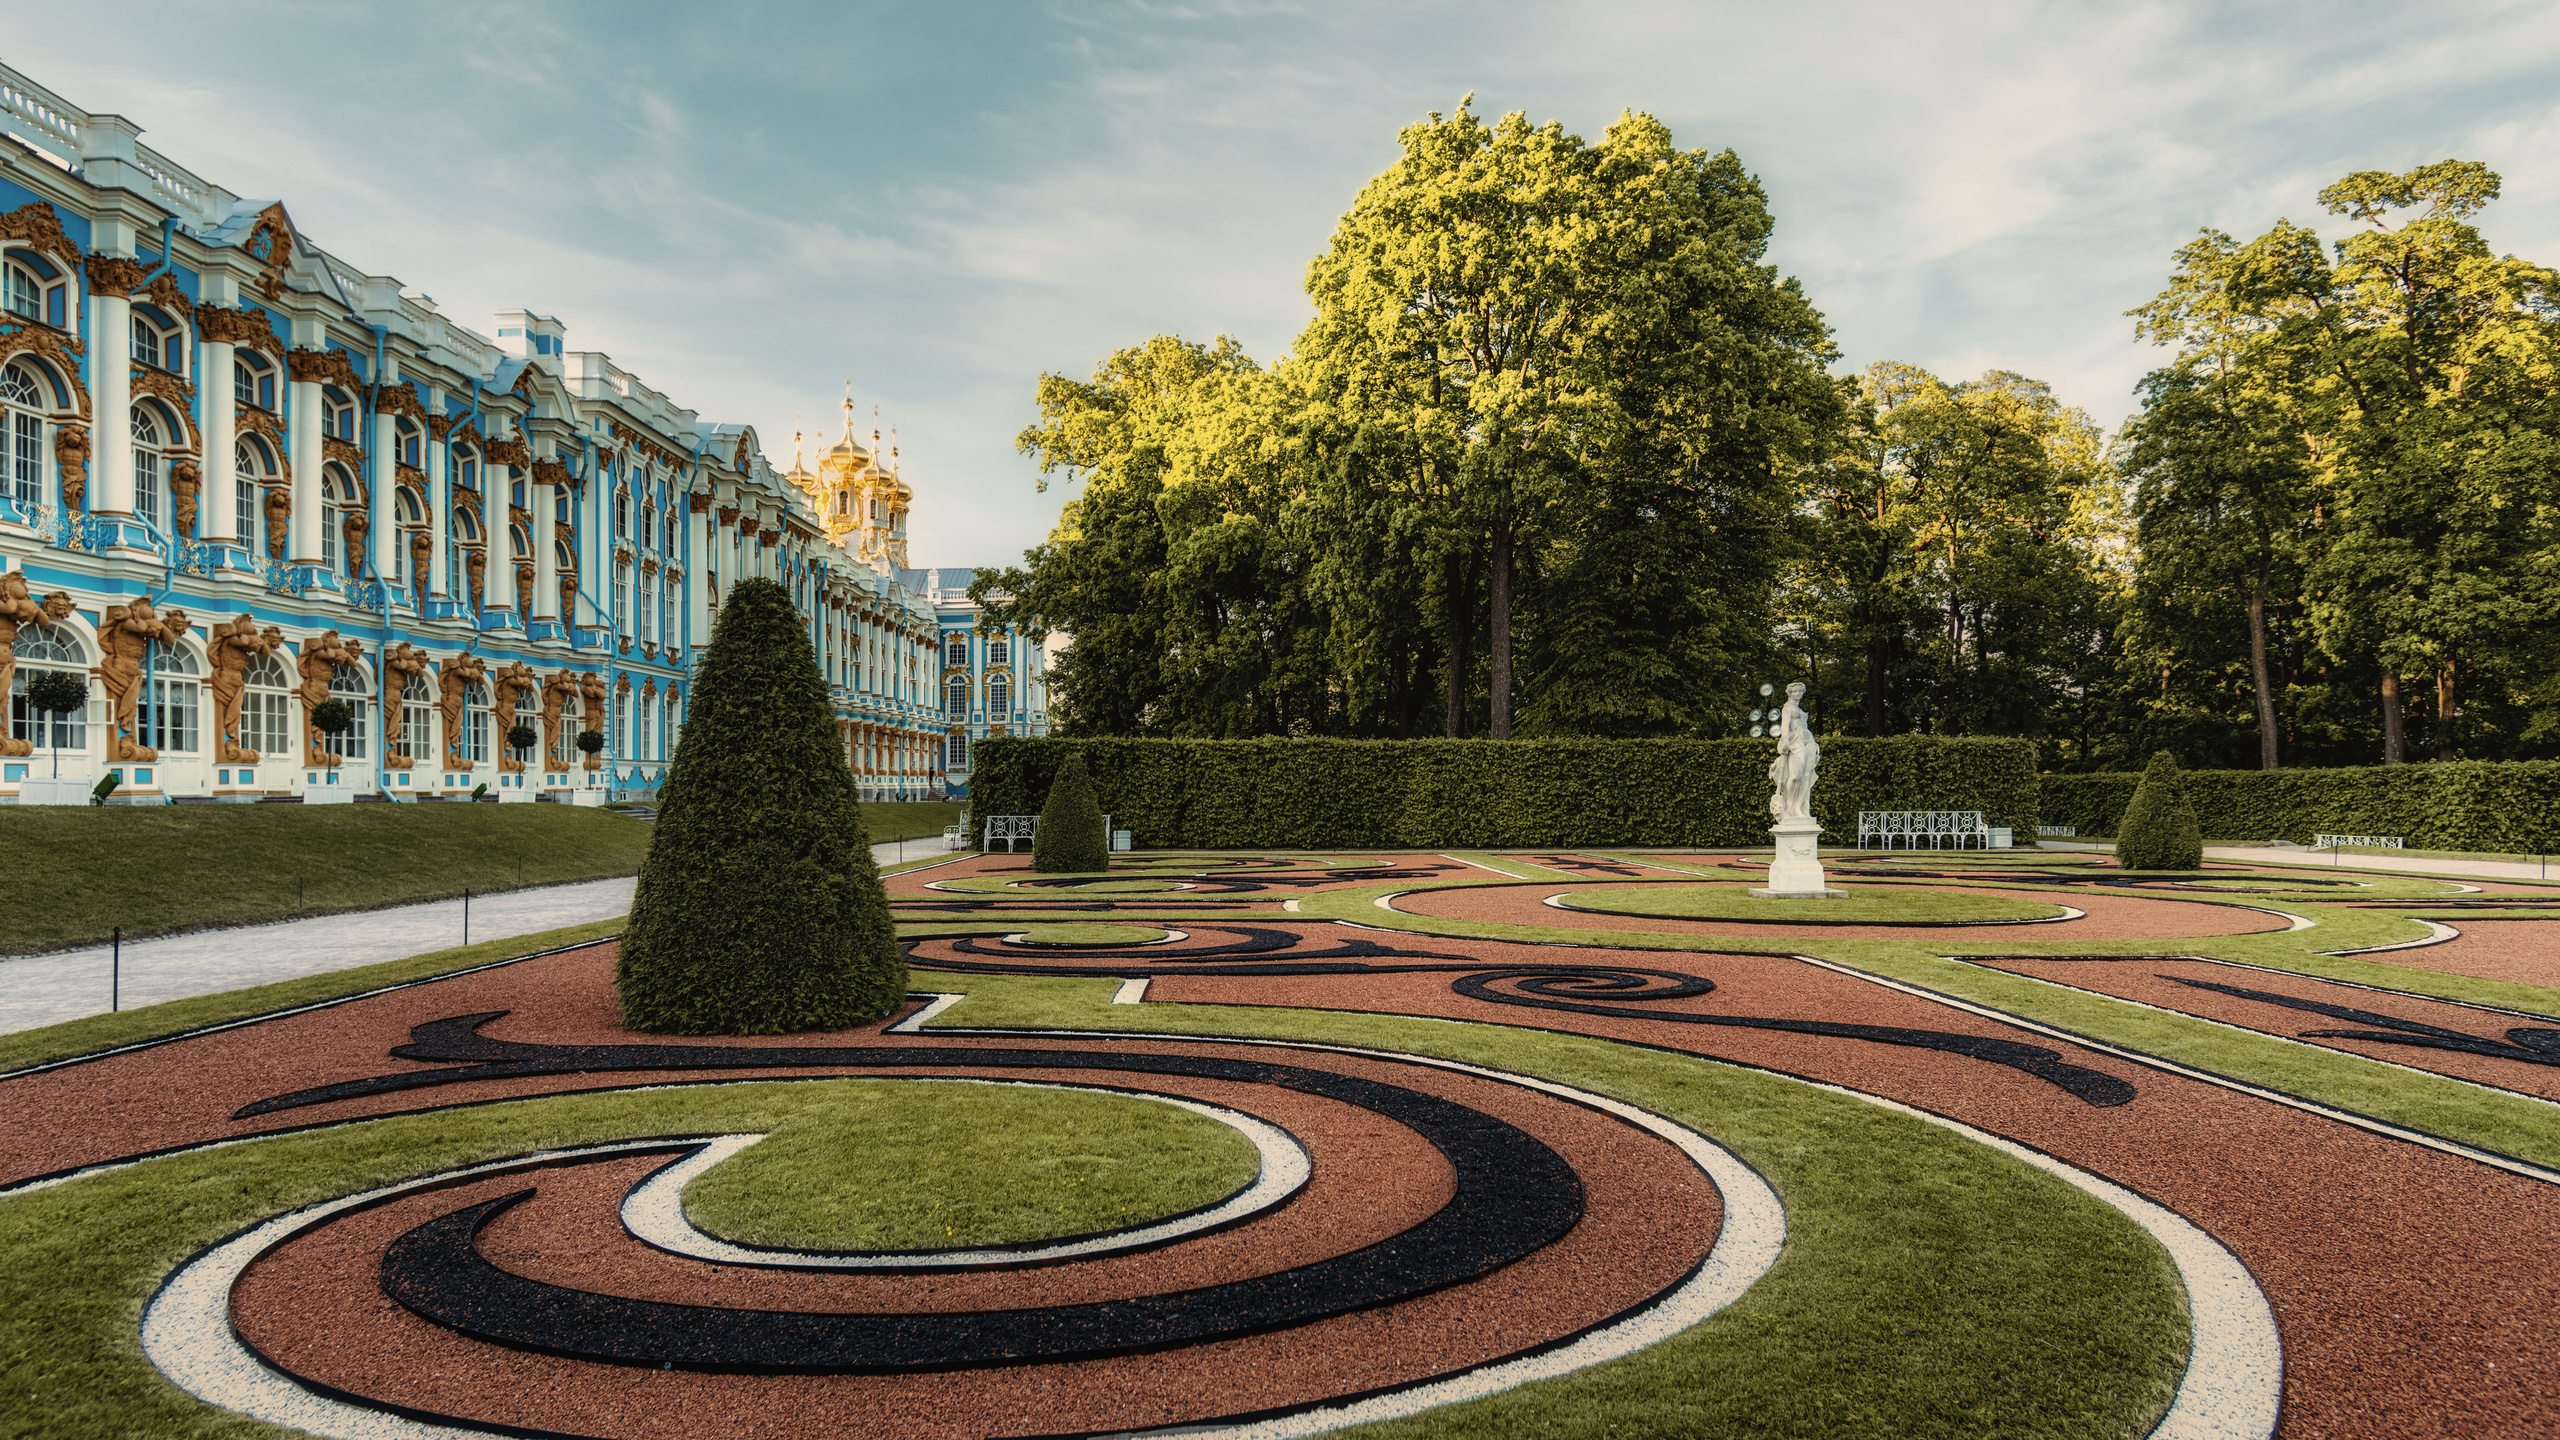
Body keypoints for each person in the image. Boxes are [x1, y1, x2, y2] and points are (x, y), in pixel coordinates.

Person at [1768, 681, 1820, 821]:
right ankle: (1790, 806)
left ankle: (1799, 808)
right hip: (1795, 742)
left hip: (1808, 742)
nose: (1798, 694)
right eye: (1795, 691)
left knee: (1806, 776)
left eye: (1800, 691)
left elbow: (1806, 728)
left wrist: (1815, 744)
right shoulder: (1787, 708)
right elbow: (1784, 728)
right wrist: (1785, 743)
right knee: (1795, 775)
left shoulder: (1801, 711)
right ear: (1789, 693)